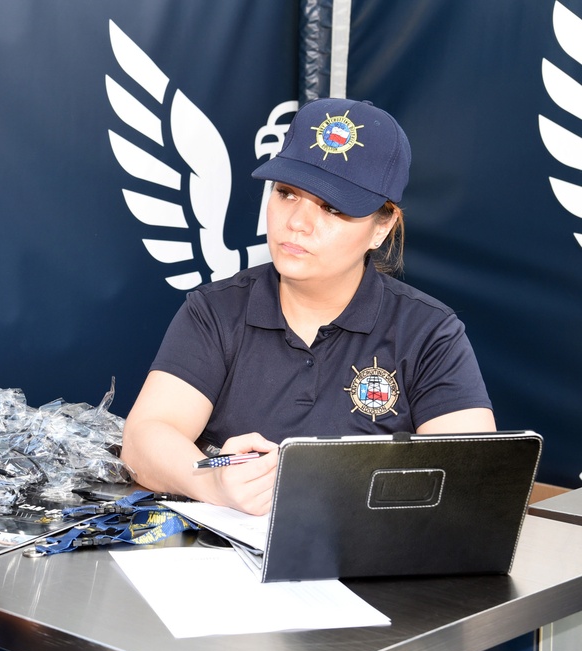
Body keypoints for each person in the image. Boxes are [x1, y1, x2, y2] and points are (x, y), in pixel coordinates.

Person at [120, 97, 495, 516]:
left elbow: (469, 478)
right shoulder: (215, 311)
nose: (297, 222)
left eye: (333, 208)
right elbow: (143, 440)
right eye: (287, 193)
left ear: (382, 226)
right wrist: (213, 482)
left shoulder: (429, 333)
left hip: (369, 569)